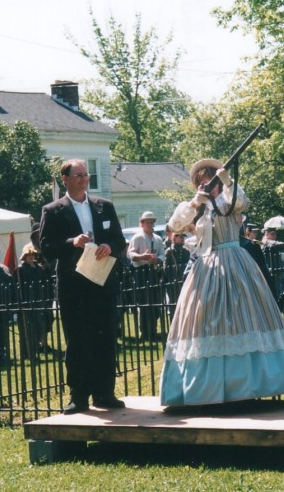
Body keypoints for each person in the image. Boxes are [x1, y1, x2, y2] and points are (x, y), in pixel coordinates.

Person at [159, 158, 284, 407]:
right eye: (203, 182)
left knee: (245, 315)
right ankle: (207, 387)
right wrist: (196, 202)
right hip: (206, 268)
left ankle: (247, 385)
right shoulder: (197, 208)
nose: (208, 185)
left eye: (212, 181)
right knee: (204, 320)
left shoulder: (228, 202)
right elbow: (174, 226)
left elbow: (242, 202)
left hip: (236, 264)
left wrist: (228, 182)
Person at [40, 158, 126, 414]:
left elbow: (119, 240)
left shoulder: (104, 206)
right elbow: (46, 248)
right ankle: (79, 397)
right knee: (77, 341)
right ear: (65, 179)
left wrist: (109, 246)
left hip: (102, 282)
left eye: (86, 175)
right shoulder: (53, 210)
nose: (84, 179)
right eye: (78, 175)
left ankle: (104, 393)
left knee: (105, 338)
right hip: (74, 287)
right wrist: (72, 242)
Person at [127, 211, 165, 341]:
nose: (149, 224)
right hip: (141, 272)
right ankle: (145, 333)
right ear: (142, 224)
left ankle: (153, 331)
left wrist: (157, 260)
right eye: (147, 222)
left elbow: (162, 254)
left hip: (153, 271)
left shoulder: (158, 238)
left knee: (155, 302)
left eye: (151, 222)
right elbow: (130, 254)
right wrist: (142, 256)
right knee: (144, 303)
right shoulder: (137, 237)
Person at [15, 244, 54, 359]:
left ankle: (42, 346)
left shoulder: (40, 268)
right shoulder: (20, 269)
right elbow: (18, 287)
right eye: (28, 255)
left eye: (33, 255)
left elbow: (46, 283)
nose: (31, 257)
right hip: (28, 303)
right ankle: (30, 352)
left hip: (40, 302)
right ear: (24, 256)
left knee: (42, 326)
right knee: (30, 329)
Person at [0, 242, 15, 367]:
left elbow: (13, 287)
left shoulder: (4, 269)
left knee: (2, 334)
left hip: (4, 308)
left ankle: (1, 355)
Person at [164, 232, 191, 319]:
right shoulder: (169, 252)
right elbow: (166, 269)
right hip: (173, 283)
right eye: (180, 236)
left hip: (184, 281)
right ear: (174, 238)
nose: (182, 238)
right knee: (174, 304)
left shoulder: (186, 251)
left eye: (183, 236)